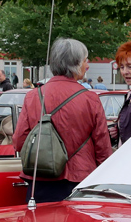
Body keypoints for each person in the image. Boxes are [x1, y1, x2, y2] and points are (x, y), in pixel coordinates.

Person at [13, 38, 112, 202]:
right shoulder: (90, 99)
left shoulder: (33, 96)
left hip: (40, 179)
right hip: (79, 180)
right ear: (76, 63)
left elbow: (19, 141)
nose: (87, 65)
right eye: (85, 60)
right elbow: (102, 147)